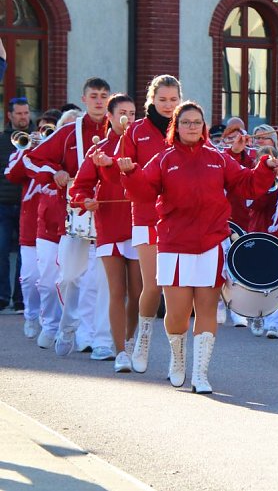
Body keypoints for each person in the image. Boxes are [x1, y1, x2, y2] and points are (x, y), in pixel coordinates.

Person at [118, 101, 278, 394]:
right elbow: (143, 192)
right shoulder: (164, 159)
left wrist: (264, 168)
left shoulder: (218, 158)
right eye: (186, 122)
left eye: (196, 122)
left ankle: (200, 374)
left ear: (203, 127)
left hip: (210, 244)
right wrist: (130, 173)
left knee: (206, 309)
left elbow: (245, 183)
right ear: (176, 127)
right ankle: (178, 358)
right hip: (174, 245)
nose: (192, 127)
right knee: (177, 315)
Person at [95, 74, 180, 373]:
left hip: (181, 218)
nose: (168, 105)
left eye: (173, 99)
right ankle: (138, 341)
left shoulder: (187, 126)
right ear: (151, 100)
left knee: (177, 290)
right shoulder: (136, 131)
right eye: (162, 99)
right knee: (150, 287)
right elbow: (117, 174)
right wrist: (112, 167)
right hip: (145, 216)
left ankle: (177, 357)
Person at [25, 78, 111, 358]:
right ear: (84, 99)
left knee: (100, 281)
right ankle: (67, 326)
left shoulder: (118, 132)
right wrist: (55, 172)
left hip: (108, 215)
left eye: (104, 96)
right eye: (94, 95)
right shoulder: (69, 132)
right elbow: (31, 158)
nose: (99, 100)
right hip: (75, 216)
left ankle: (97, 339)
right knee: (68, 278)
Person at [71, 94, 143, 372]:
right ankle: (120, 351)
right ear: (110, 117)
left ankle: (129, 341)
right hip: (110, 227)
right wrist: (85, 200)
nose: (128, 118)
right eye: (122, 113)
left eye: (133, 113)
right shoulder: (98, 150)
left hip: (139, 226)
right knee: (116, 290)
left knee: (138, 293)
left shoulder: (144, 144)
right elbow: (80, 187)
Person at [5, 109, 60, 338]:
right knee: (30, 278)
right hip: (30, 226)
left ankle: (51, 321)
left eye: (50, 130)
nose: (44, 134)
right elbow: (12, 175)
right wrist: (28, 149)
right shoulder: (26, 152)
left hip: (54, 225)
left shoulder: (60, 153)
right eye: (42, 129)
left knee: (52, 280)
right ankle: (31, 314)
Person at [246, 144, 278, 339]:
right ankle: (258, 315)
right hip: (259, 234)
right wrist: (267, 184)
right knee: (258, 280)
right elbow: (256, 204)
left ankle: (275, 322)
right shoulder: (253, 185)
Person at [0, 96, 33, 312]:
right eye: (19, 113)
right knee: (1, 251)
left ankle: (20, 298)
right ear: (10, 115)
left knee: (24, 254)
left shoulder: (37, 138)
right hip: (3, 204)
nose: (23, 117)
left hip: (26, 204)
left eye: (26, 113)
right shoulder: (2, 140)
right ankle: (2, 296)